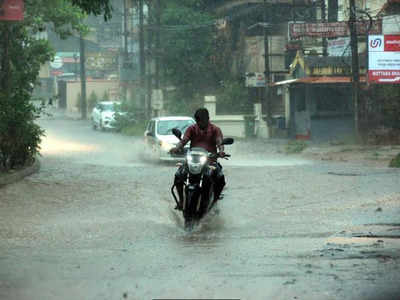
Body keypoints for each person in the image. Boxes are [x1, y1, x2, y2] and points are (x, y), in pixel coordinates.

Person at [170, 108, 226, 210]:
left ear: (208, 119)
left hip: (210, 161)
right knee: (178, 175)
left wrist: (221, 151)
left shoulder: (215, 130)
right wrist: (177, 148)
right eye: (198, 121)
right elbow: (183, 141)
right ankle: (181, 201)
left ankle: (214, 201)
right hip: (192, 161)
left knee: (220, 177)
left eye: (202, 120)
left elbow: (219, 142)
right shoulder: (191, 129)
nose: (200, 123)